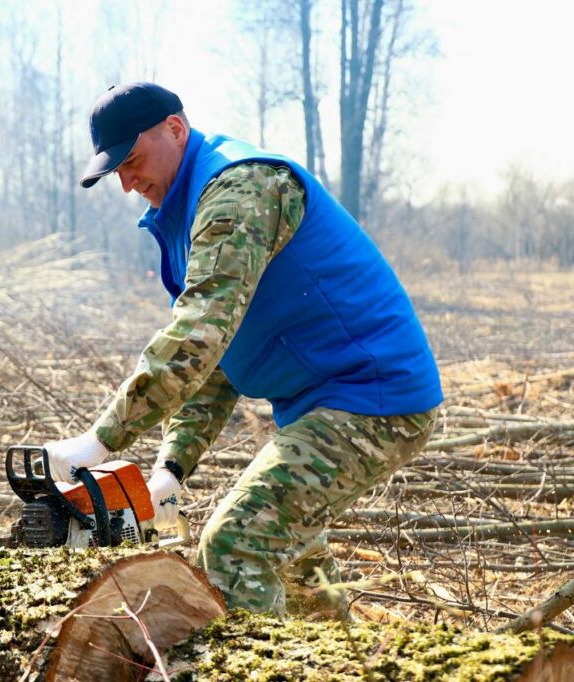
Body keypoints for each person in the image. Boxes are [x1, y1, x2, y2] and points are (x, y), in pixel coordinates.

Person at [44, 82, 442, 617]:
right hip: (324, 403)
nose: (127, 184)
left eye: (132, 161)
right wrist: (172, 470)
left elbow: (200, 333)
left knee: (236, 546)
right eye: (116, 171)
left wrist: (100, 440)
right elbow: (215, 361)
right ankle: (340, 663)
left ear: (176, 129)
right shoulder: (193, 207)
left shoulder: (241, 188)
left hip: (371, 397)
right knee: (299, 565)